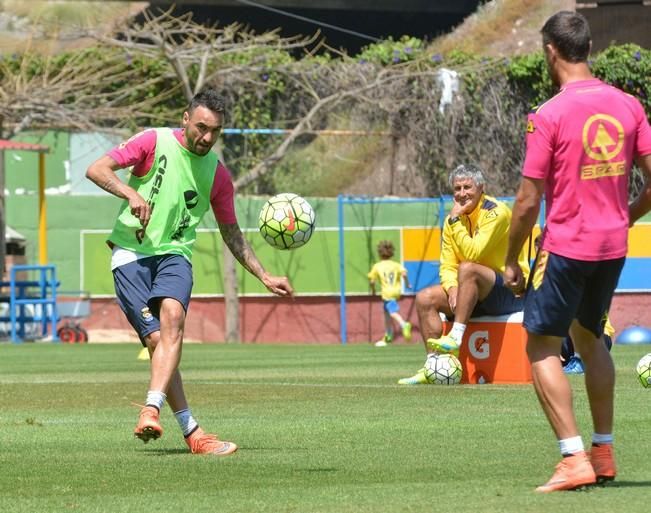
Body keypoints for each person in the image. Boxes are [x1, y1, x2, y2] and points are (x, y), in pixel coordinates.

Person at [86, 89, 293, 456]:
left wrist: (264, 275)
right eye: (201, 127)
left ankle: (151, 408)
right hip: (130, 254)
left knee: (174, 317)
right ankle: (192, 432)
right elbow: (96, 169)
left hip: (174, 255)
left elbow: (231, 233)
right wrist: (129, 195)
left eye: (215, 131)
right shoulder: (154, 140)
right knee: (156, 343)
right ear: (185, 119)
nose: (207, 138)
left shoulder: (218, 175)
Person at [503, 11, 651, 493]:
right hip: (612, 246)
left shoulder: (547, 115)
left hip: (566, 246)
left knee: (541, 346)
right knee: (590, 339)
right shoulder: (629, 104)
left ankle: (573, 458)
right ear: (588, 48)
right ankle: (603, 450)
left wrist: (510, 258)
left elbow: (527, 202)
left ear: (550, 51)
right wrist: (626, 215)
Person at [398, 164, 530, 384]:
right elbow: (447, 264)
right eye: (457, 188)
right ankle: (433, 366)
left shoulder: (496, 212)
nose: (461, 193)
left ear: (481, 188)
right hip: (473, 291)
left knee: (468, 269)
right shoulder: (453, 220)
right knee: (425, 298)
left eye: (467, 187)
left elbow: (473, 252)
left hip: (510, 291)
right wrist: (451, 288)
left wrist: (455, 220)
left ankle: (456, 335)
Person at [367, 240, 412, 347]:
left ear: (379, 253)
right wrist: (407, 284)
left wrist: (373, 290)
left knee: (392, 313)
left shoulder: (377, 266)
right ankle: (388, 335)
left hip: (387, 293)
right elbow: (404, 274)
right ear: (391, 252)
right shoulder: (396, 265)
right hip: (395, 291)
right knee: (386, 313)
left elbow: (372, 281)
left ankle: (404, 324)